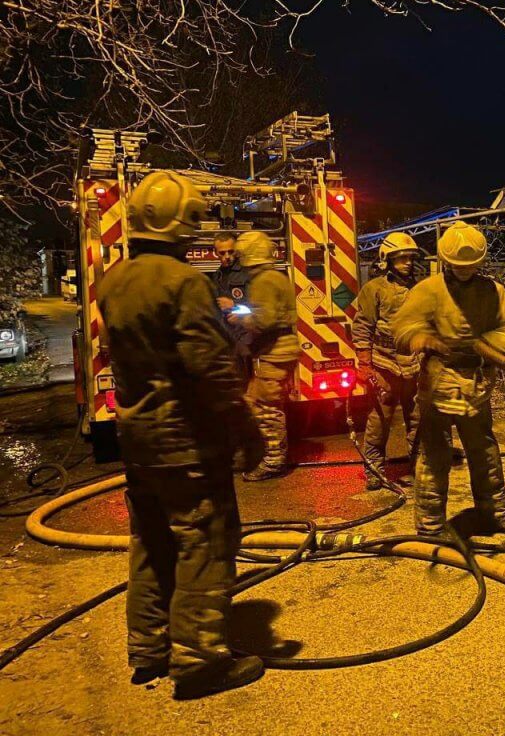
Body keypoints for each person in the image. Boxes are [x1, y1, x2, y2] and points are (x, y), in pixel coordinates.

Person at [96, 170, 265, 699]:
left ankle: (149, 647)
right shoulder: (184, 282)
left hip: (138, 439)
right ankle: (198, 660)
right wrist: (246, 428)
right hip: (185, 441)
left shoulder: (115, 280)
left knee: (151, 539)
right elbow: (209, 367)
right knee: (205, 541)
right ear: (184, 224)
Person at [391, 221, 505, 537]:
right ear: (447, 262)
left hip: (476, 384)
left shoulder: (492, 291)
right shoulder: (427, 291)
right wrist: (422, 339)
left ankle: (495, 513)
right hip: (438, 383)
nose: (466, 270)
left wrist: (486, 349)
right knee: (435, 454)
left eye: (471, 266)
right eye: (458, 265)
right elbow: (402, 329)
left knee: (484, 450)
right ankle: (430, 526)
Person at [352, 232, 422, 490]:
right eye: (401, 258)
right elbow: (363, 327)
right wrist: (365, 364)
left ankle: (418, 469)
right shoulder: (374, 289)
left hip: (415, 364)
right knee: (380, 419)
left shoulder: (420, 288)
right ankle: (375, 471)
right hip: (385, 365)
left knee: (418, 419)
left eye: (410, 258)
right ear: (387, 260)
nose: (407, 263)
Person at [230, 230, 299, 482]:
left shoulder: (263, 280)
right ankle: (262, 454)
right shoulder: (276, 277)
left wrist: (240, 317)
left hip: (274, 352)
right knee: (255, 400)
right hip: (280, 350)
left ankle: (273, 462)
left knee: (266, 408)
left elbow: (265, 319)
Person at [209, 232, 252, 378]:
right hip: (228, 337)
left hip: (246, 336)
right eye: (222, 253)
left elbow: (259, 306)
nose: (227, 256)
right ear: (216, 253)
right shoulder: (217, 275)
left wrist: (235, 304)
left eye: (230, 251)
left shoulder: (247, 272)